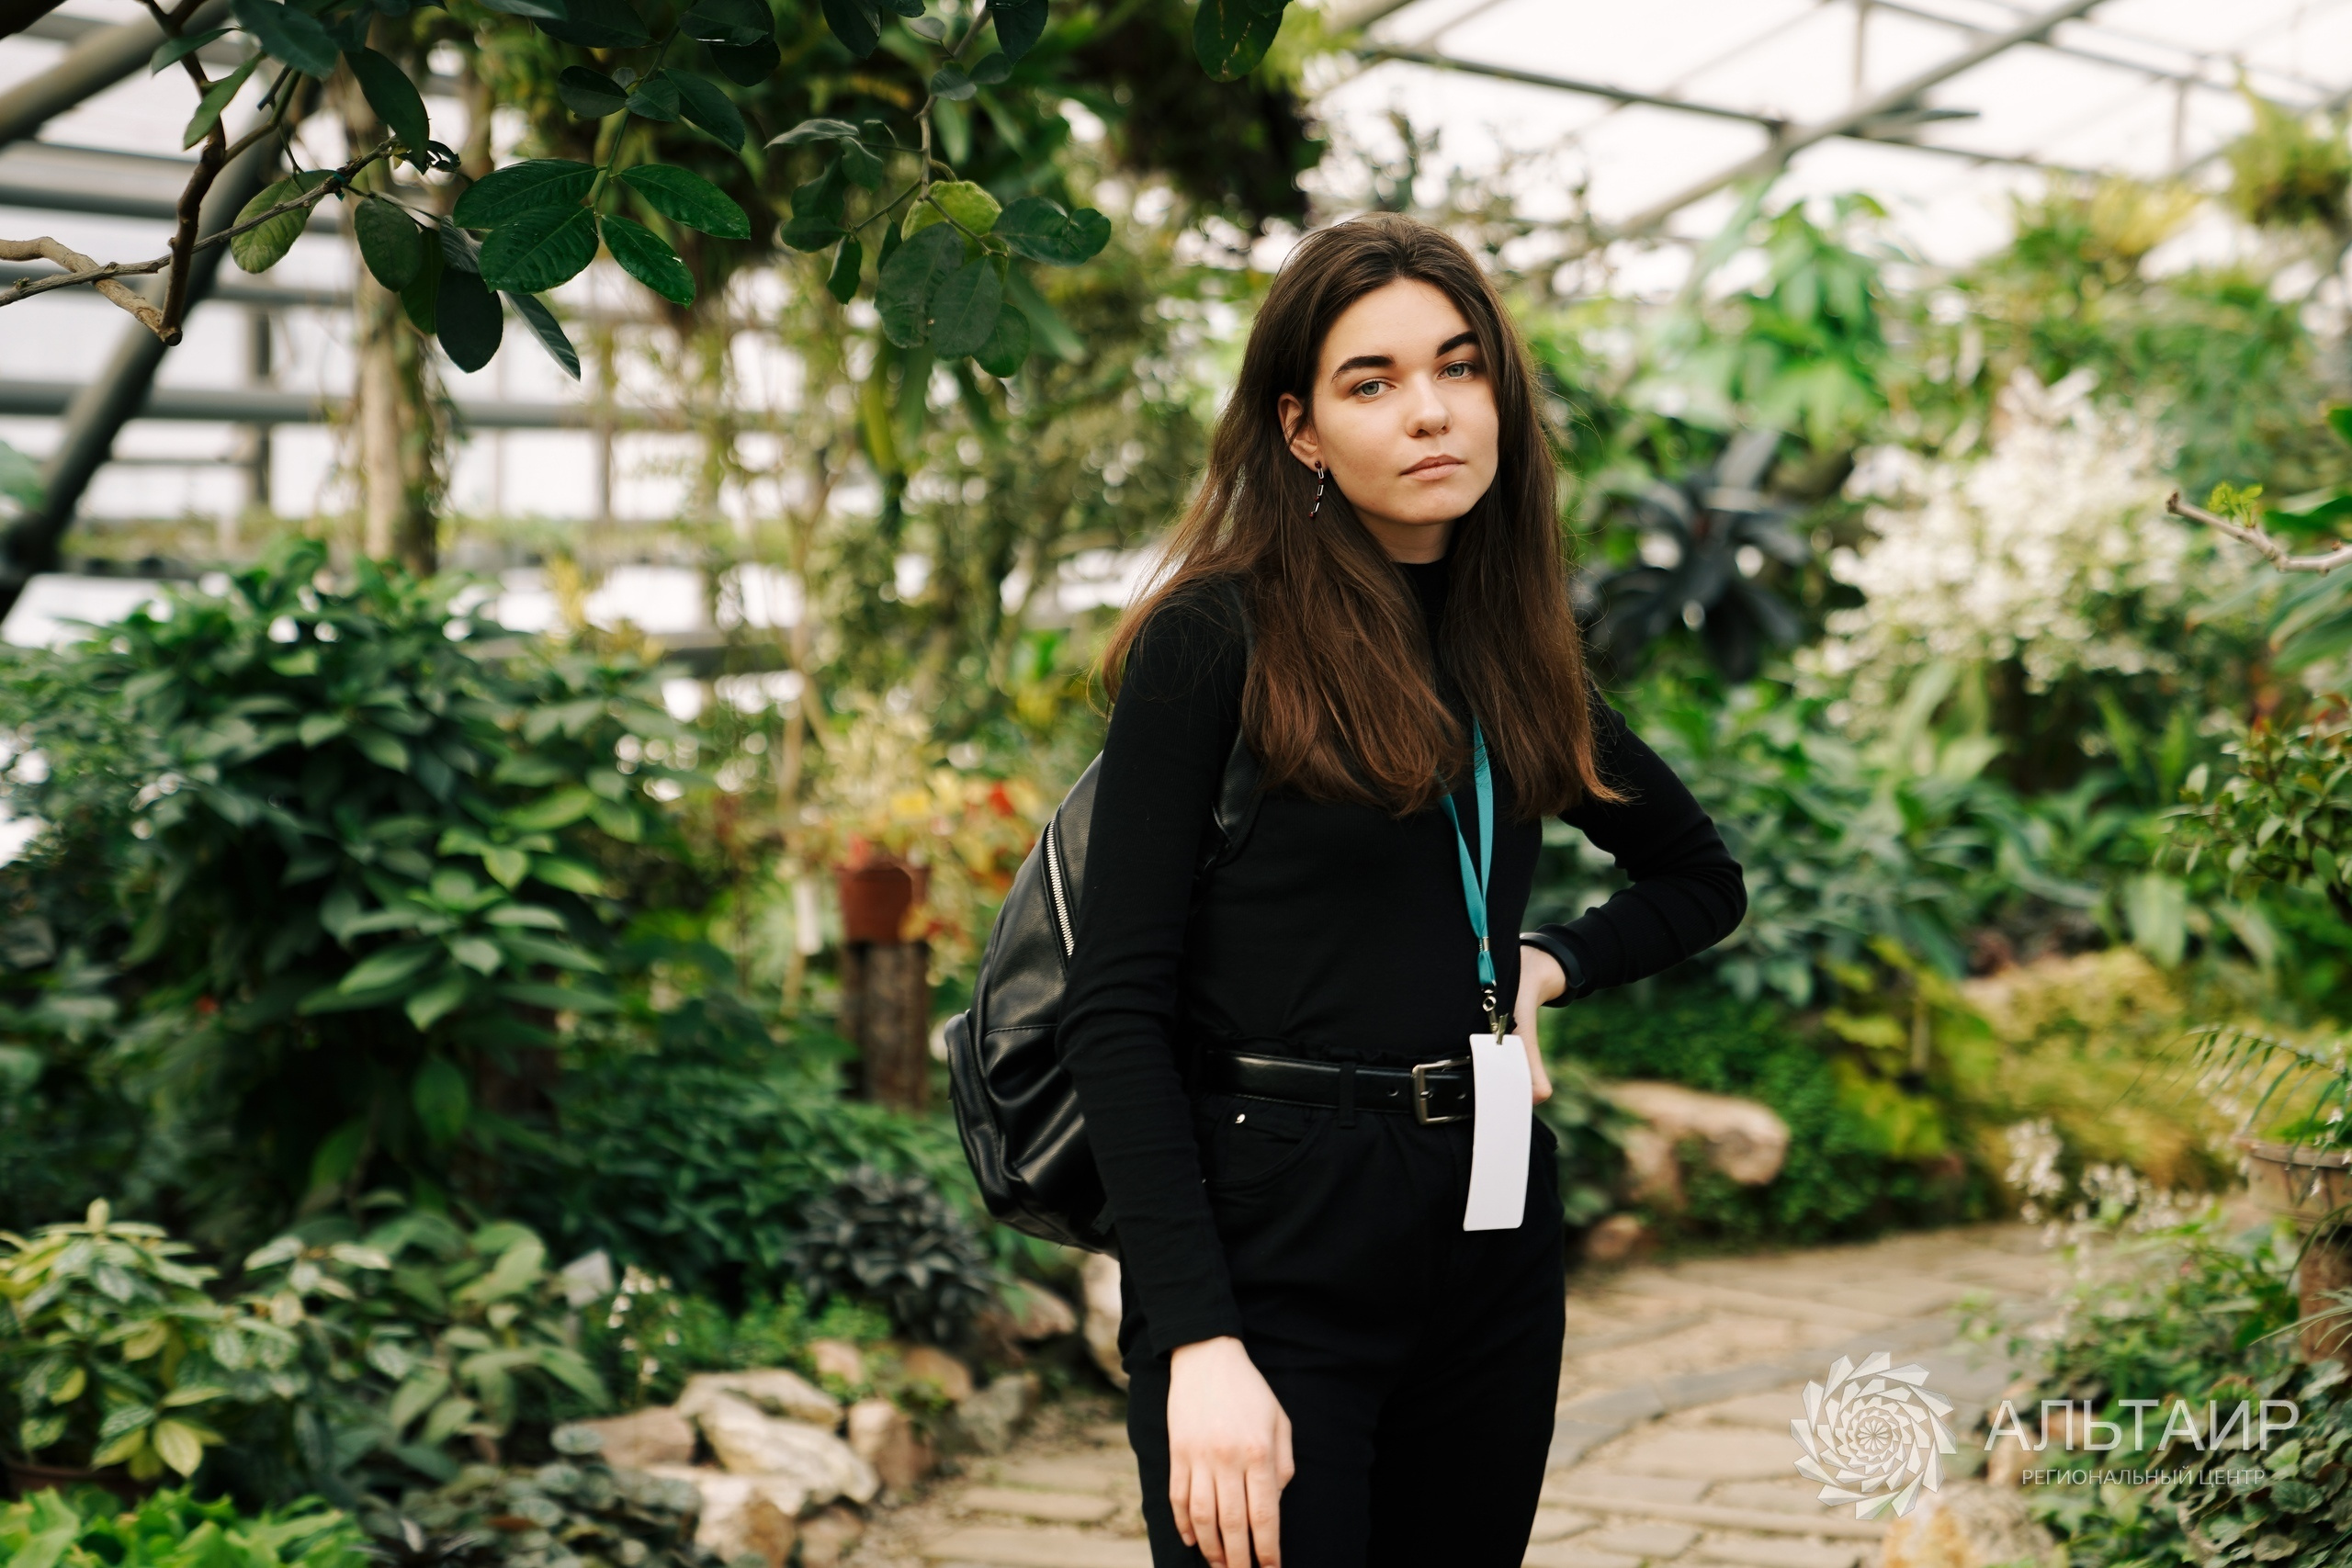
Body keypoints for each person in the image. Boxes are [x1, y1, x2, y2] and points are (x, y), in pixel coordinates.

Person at [1056, 212, 1748, 1568]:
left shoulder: (1516, 649)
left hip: (1487, 1232)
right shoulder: (1215, 640)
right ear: (1303, 429)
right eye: (1372, 382)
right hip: (1273, 1236)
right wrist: (1198, 1339)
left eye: (1460, 366)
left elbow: (1696, 876)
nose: (1429, 412)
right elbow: (1114, 1012)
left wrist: (1548, 963)